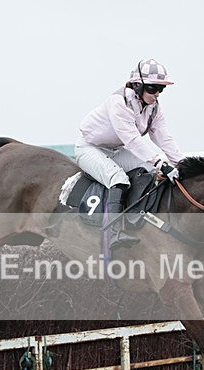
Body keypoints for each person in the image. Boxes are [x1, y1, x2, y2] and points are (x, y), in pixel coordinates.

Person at [75, 58, 184, 250]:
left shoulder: (154, 107)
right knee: (118, 179)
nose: (157, 94)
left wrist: (182, 163)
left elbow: (163, 137)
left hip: (115, 150)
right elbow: (132, 140)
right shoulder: (119, 102)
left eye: (161, 89)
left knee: (152, 169)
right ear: (137, 85)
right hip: (89, 148)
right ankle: (114, 232)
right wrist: (161, 163)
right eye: (152, 88)